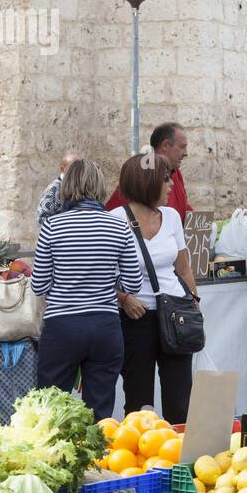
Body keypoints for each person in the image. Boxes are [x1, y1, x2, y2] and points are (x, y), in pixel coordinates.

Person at [32, 159, 144, 420]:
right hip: (105, 326)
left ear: (67, 186)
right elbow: (133, 284)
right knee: (100, 413)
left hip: (61, 327)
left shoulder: (52, 227)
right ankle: (98, 460)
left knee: (51, 411)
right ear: (100, 187)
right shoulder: (119, 227)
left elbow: (38, 285)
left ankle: (55, 459)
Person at [111, 153, 198, 424]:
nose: (171, 185)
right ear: (147, 182)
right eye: (165, 179)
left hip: (174, 314)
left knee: (180, 397)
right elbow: (101, 275)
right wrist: (124, 298)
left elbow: (183, 268)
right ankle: (139, 458)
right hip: (136, 317)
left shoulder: (171, 217)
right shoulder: (115, 219)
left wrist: (194, 302)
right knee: (138, 400)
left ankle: (180, 456)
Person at [106, 123, 192, 221]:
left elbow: (184, 209)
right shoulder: (140, 176)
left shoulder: (176, 174)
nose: (186, 153)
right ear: (165, 145)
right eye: (182, 146)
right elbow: (113, 217)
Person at [38, 151, 81, 225]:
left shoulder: (76, 187)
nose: (77, 171)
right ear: (62, 169)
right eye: (73, 167)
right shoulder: (55, 188)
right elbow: (42, 217)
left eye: (80, 168)